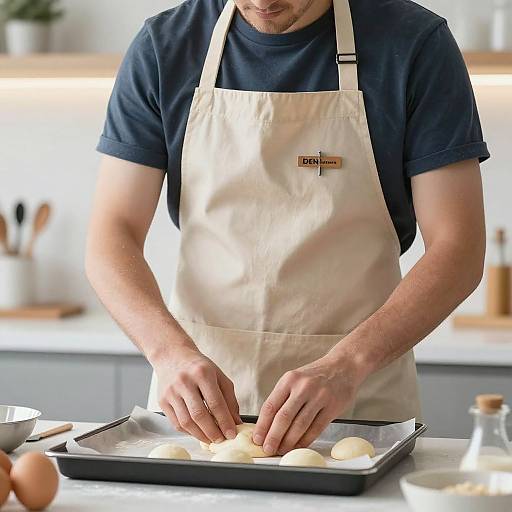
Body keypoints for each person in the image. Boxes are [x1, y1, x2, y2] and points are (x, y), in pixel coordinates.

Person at [86, 0, 489, 456]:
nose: (263, 2)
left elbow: (458, 248)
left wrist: (347, 365)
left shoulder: (414, 45)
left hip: (358, 408)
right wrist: (167, 351)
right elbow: (111, 234)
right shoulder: (166, 46)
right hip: (197, 412)